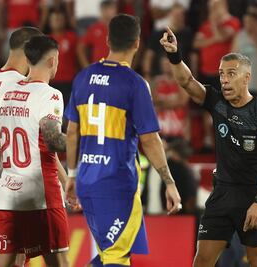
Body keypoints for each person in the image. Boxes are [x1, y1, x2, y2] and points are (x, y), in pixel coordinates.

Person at [160, 28, 257, 267]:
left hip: (253, 195)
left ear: (247, 77)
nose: (224, 80)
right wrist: (175, 55)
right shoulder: (217, 103)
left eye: (231, 74)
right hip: (222, 195)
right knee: (202, 261)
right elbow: (187, 81)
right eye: (221, 74)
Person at [65, 14, 182, 267]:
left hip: (86, 179)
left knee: (110, 253)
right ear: (137, 43)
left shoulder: (83, 78)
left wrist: (72, 175)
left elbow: (72, 133)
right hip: (116, 183)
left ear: (107, 40)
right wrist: (169, 183)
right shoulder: (135, 84)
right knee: (117, 256)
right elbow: (150, 140)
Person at [0, 35, 69, 267]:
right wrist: (82, 141)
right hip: (40, 195)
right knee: (59, 262)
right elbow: (52, 140)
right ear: (53, 61)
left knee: (3, 263)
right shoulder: (50, 95)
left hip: (6, 193)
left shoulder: (6, 93)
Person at [0, 26, 43, 267]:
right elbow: (29, 135)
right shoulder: (21, 85)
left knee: (15, 253)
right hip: (10, 180)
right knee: (9, 256)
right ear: (29, 50)